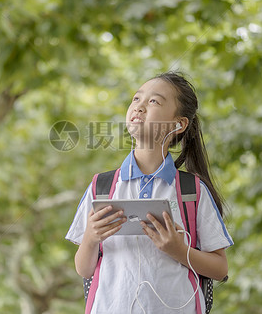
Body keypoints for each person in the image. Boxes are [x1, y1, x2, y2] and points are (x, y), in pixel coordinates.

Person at [66, 71, 233, 313]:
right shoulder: (102, 187)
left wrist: (177, 250)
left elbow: (220, 268)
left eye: (154, 101)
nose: (140, 107)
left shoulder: (192, 191)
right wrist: (91, 237)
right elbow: (84, 269)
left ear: (179, 124)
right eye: (136, 99)